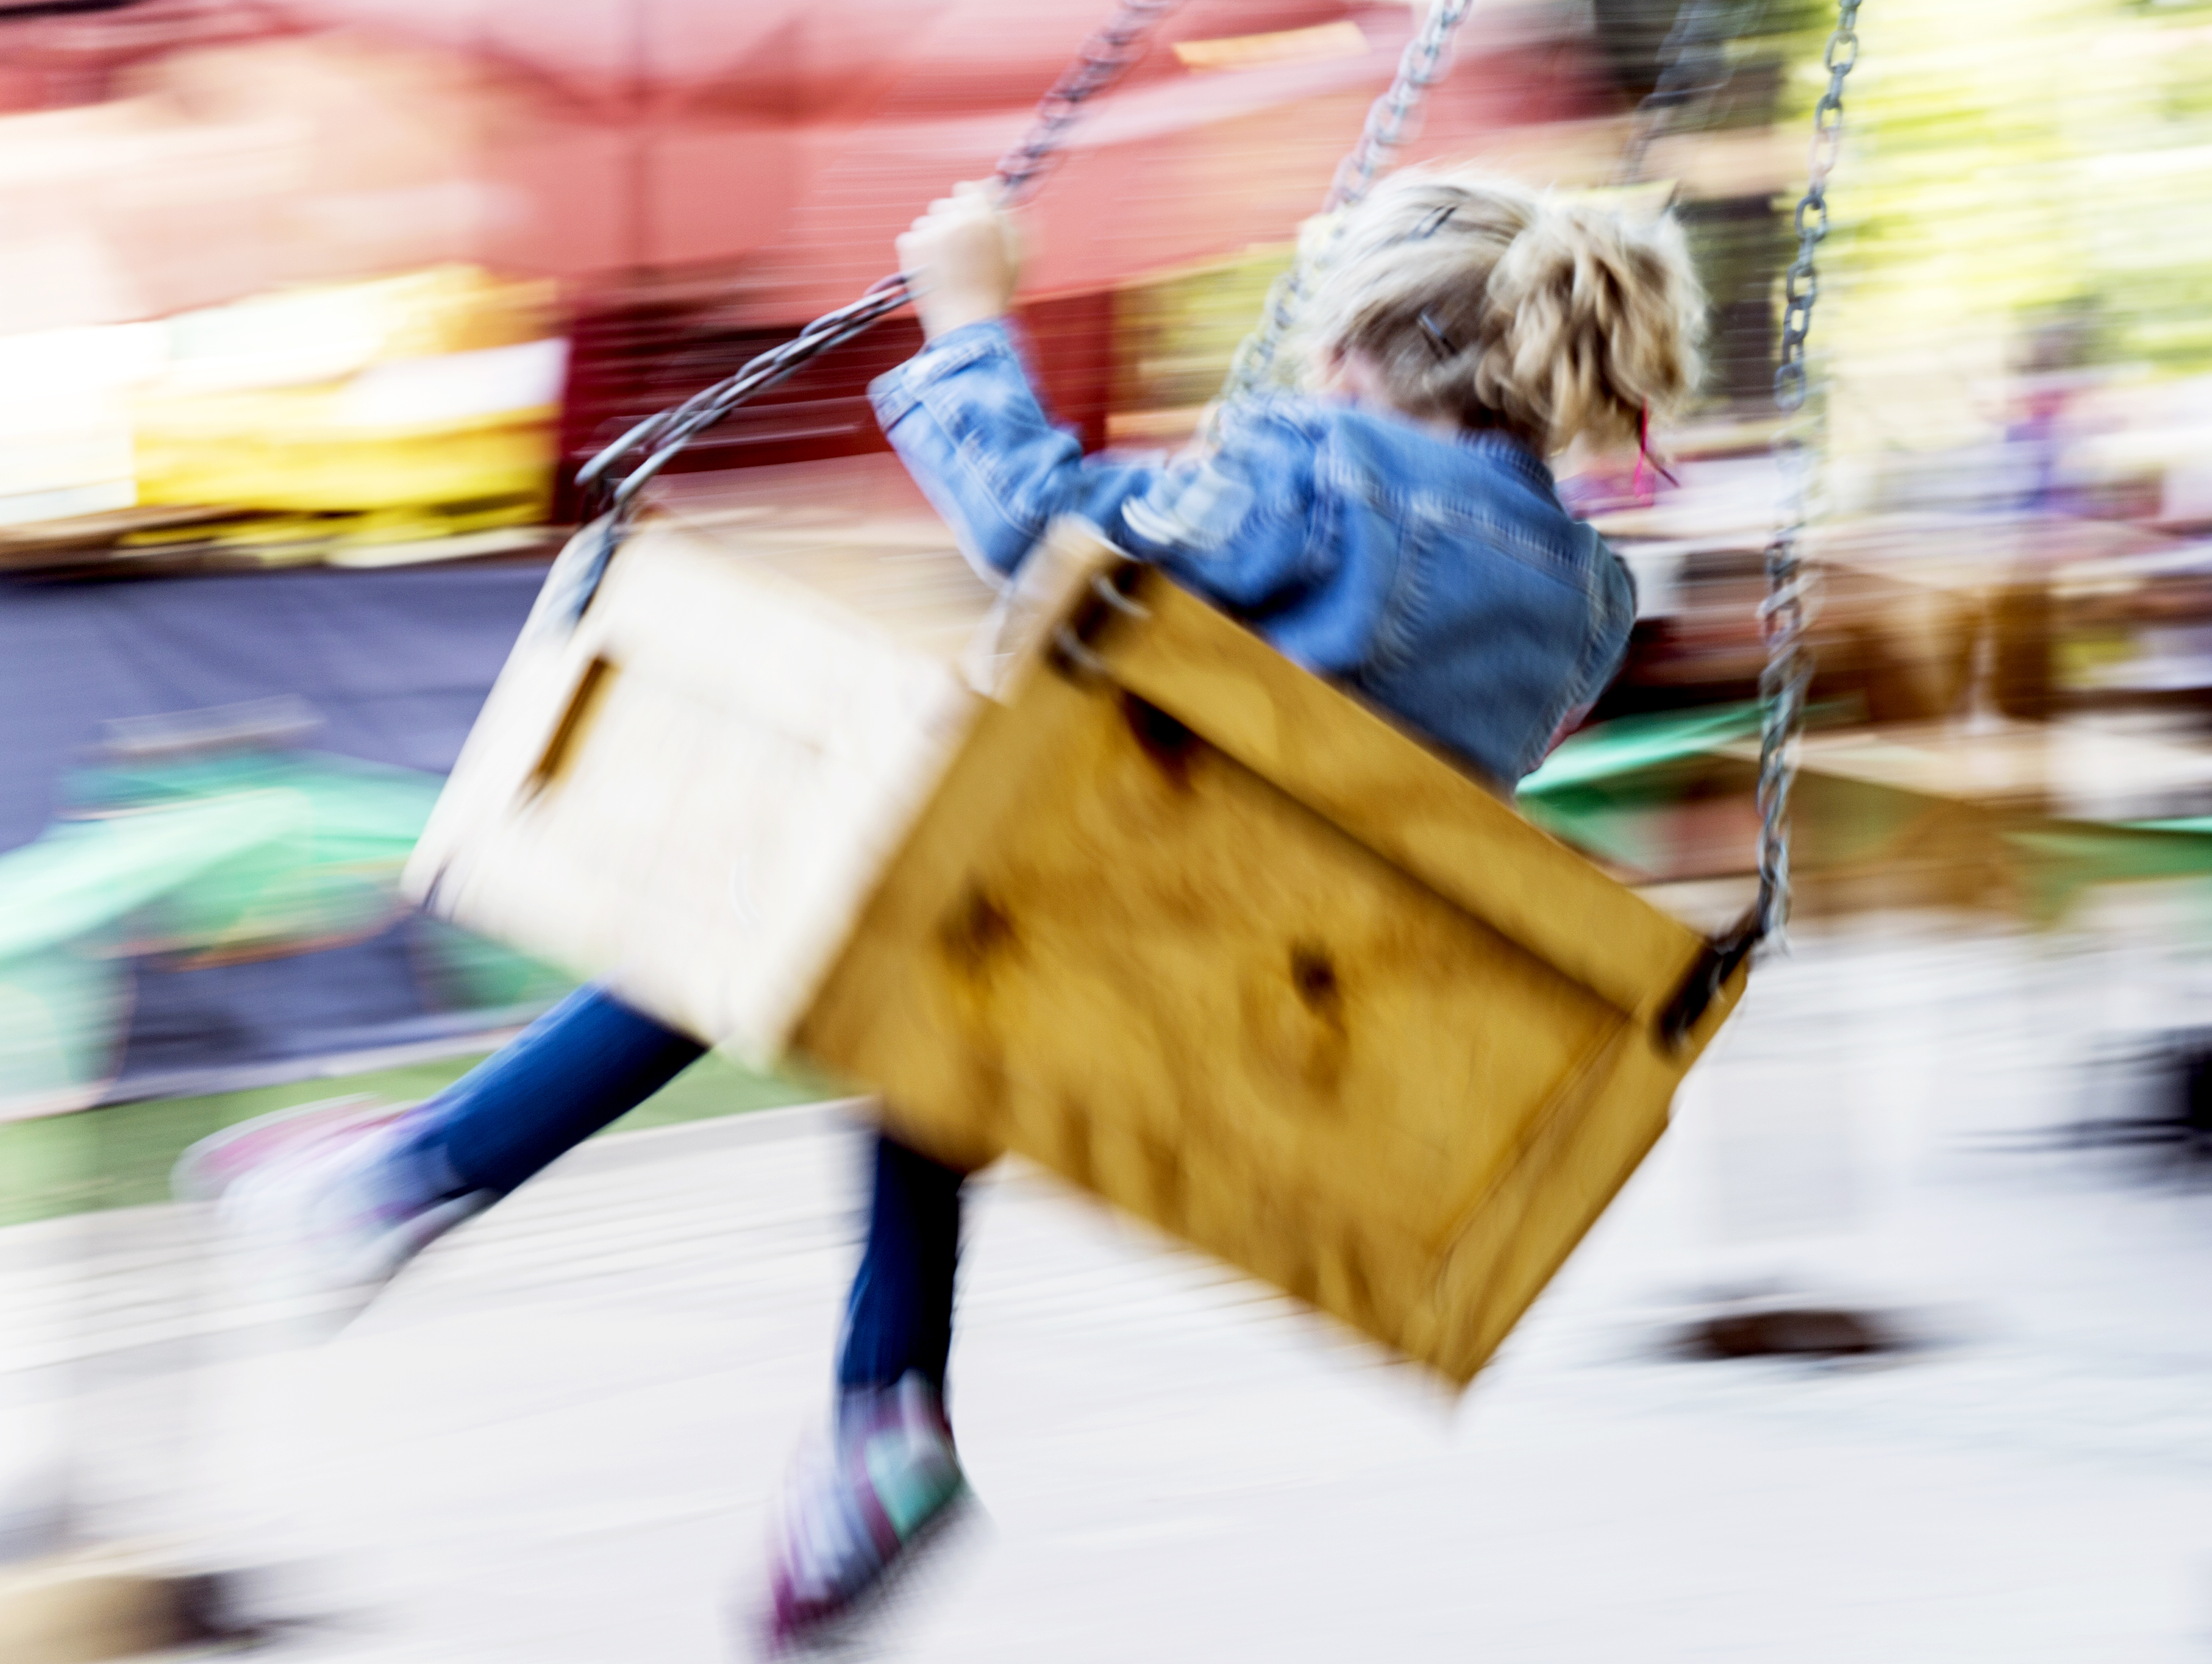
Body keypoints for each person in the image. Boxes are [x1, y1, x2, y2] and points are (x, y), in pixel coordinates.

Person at [173, 172, 1704, 1655]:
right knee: (929, 1007)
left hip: (1074, 916)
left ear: (1356, 345)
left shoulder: (1320, 468)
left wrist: (968, 319)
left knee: (795, 894)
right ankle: (881, 1418)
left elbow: (1043, 528)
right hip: (1238, 1003)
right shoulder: (1587, 604)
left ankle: (418, 1178)